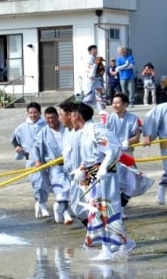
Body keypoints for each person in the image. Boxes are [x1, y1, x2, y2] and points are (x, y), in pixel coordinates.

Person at [72, 102, 134, 258]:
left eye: (71, 115)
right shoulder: (83, 132)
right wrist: (81, 169)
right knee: (100, 210)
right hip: (93, 174)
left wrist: (104, 167)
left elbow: (113, 149)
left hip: (104, 174)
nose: (70, 118)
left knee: (104, 209)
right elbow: (89, 156)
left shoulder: (96, 130)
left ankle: (107, 248)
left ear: (77, 116)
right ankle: (123, 242)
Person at [30, 107, 72, 225]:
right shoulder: (43, 132)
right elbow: (35, 147)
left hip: (69, 164)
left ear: (57, 117)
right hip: (55, 166)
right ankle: (65, 213)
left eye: (53, 117)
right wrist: (37, 160)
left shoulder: (67, 128)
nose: (51, 120)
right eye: (48, 118)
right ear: (45, 118)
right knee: (62, 189)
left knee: (70, 189)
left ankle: (58, 207)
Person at [10, 102, 49, 218]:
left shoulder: (46, 125)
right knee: (37, 182)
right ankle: (42, 206)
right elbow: (13, 139)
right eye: (30, 113)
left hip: (46, 159)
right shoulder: (22, 127)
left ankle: (39, 202)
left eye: (35, 112)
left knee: (46, 183)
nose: (33, 115)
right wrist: (17, 146)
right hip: (31, 160)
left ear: (39, 112)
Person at [142, 103, 167, 205]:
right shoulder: (163, 107)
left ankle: (162, 189)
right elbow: (151, 117)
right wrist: (147, 135)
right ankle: (161, 189)